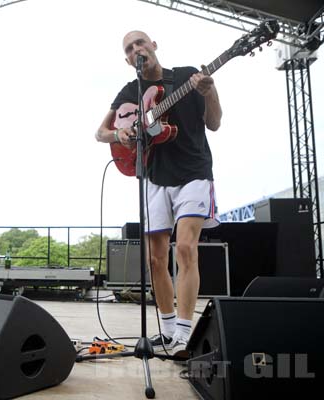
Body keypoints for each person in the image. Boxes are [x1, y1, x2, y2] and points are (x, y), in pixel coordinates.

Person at [95, 31, 222, 358]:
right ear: (127, 60)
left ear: (154, 45)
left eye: (140, 43)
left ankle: (183, 333)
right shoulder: (130, 91)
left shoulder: (186, 77)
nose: (136, 49)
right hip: (153, 175)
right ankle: (165, 332)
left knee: (185, 248)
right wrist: (120, 132)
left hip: (193, 172)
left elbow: (215, 123)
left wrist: (210, 93)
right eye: (129, 48)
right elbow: (100, 132)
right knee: (154, 258)